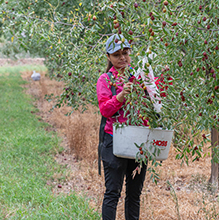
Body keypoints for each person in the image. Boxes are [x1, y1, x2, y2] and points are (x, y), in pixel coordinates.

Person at [96, 34, 147, 220]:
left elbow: (156, 98)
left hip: (138, 141)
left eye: (125, 52)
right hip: (114, 140)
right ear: (108, 57)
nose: (122, 58)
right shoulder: (105, 79)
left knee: (134, 195)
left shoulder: (140, 76)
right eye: (117, 55)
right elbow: (105, 110)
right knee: (112, 193)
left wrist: (163, 79)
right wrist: (120, 97)